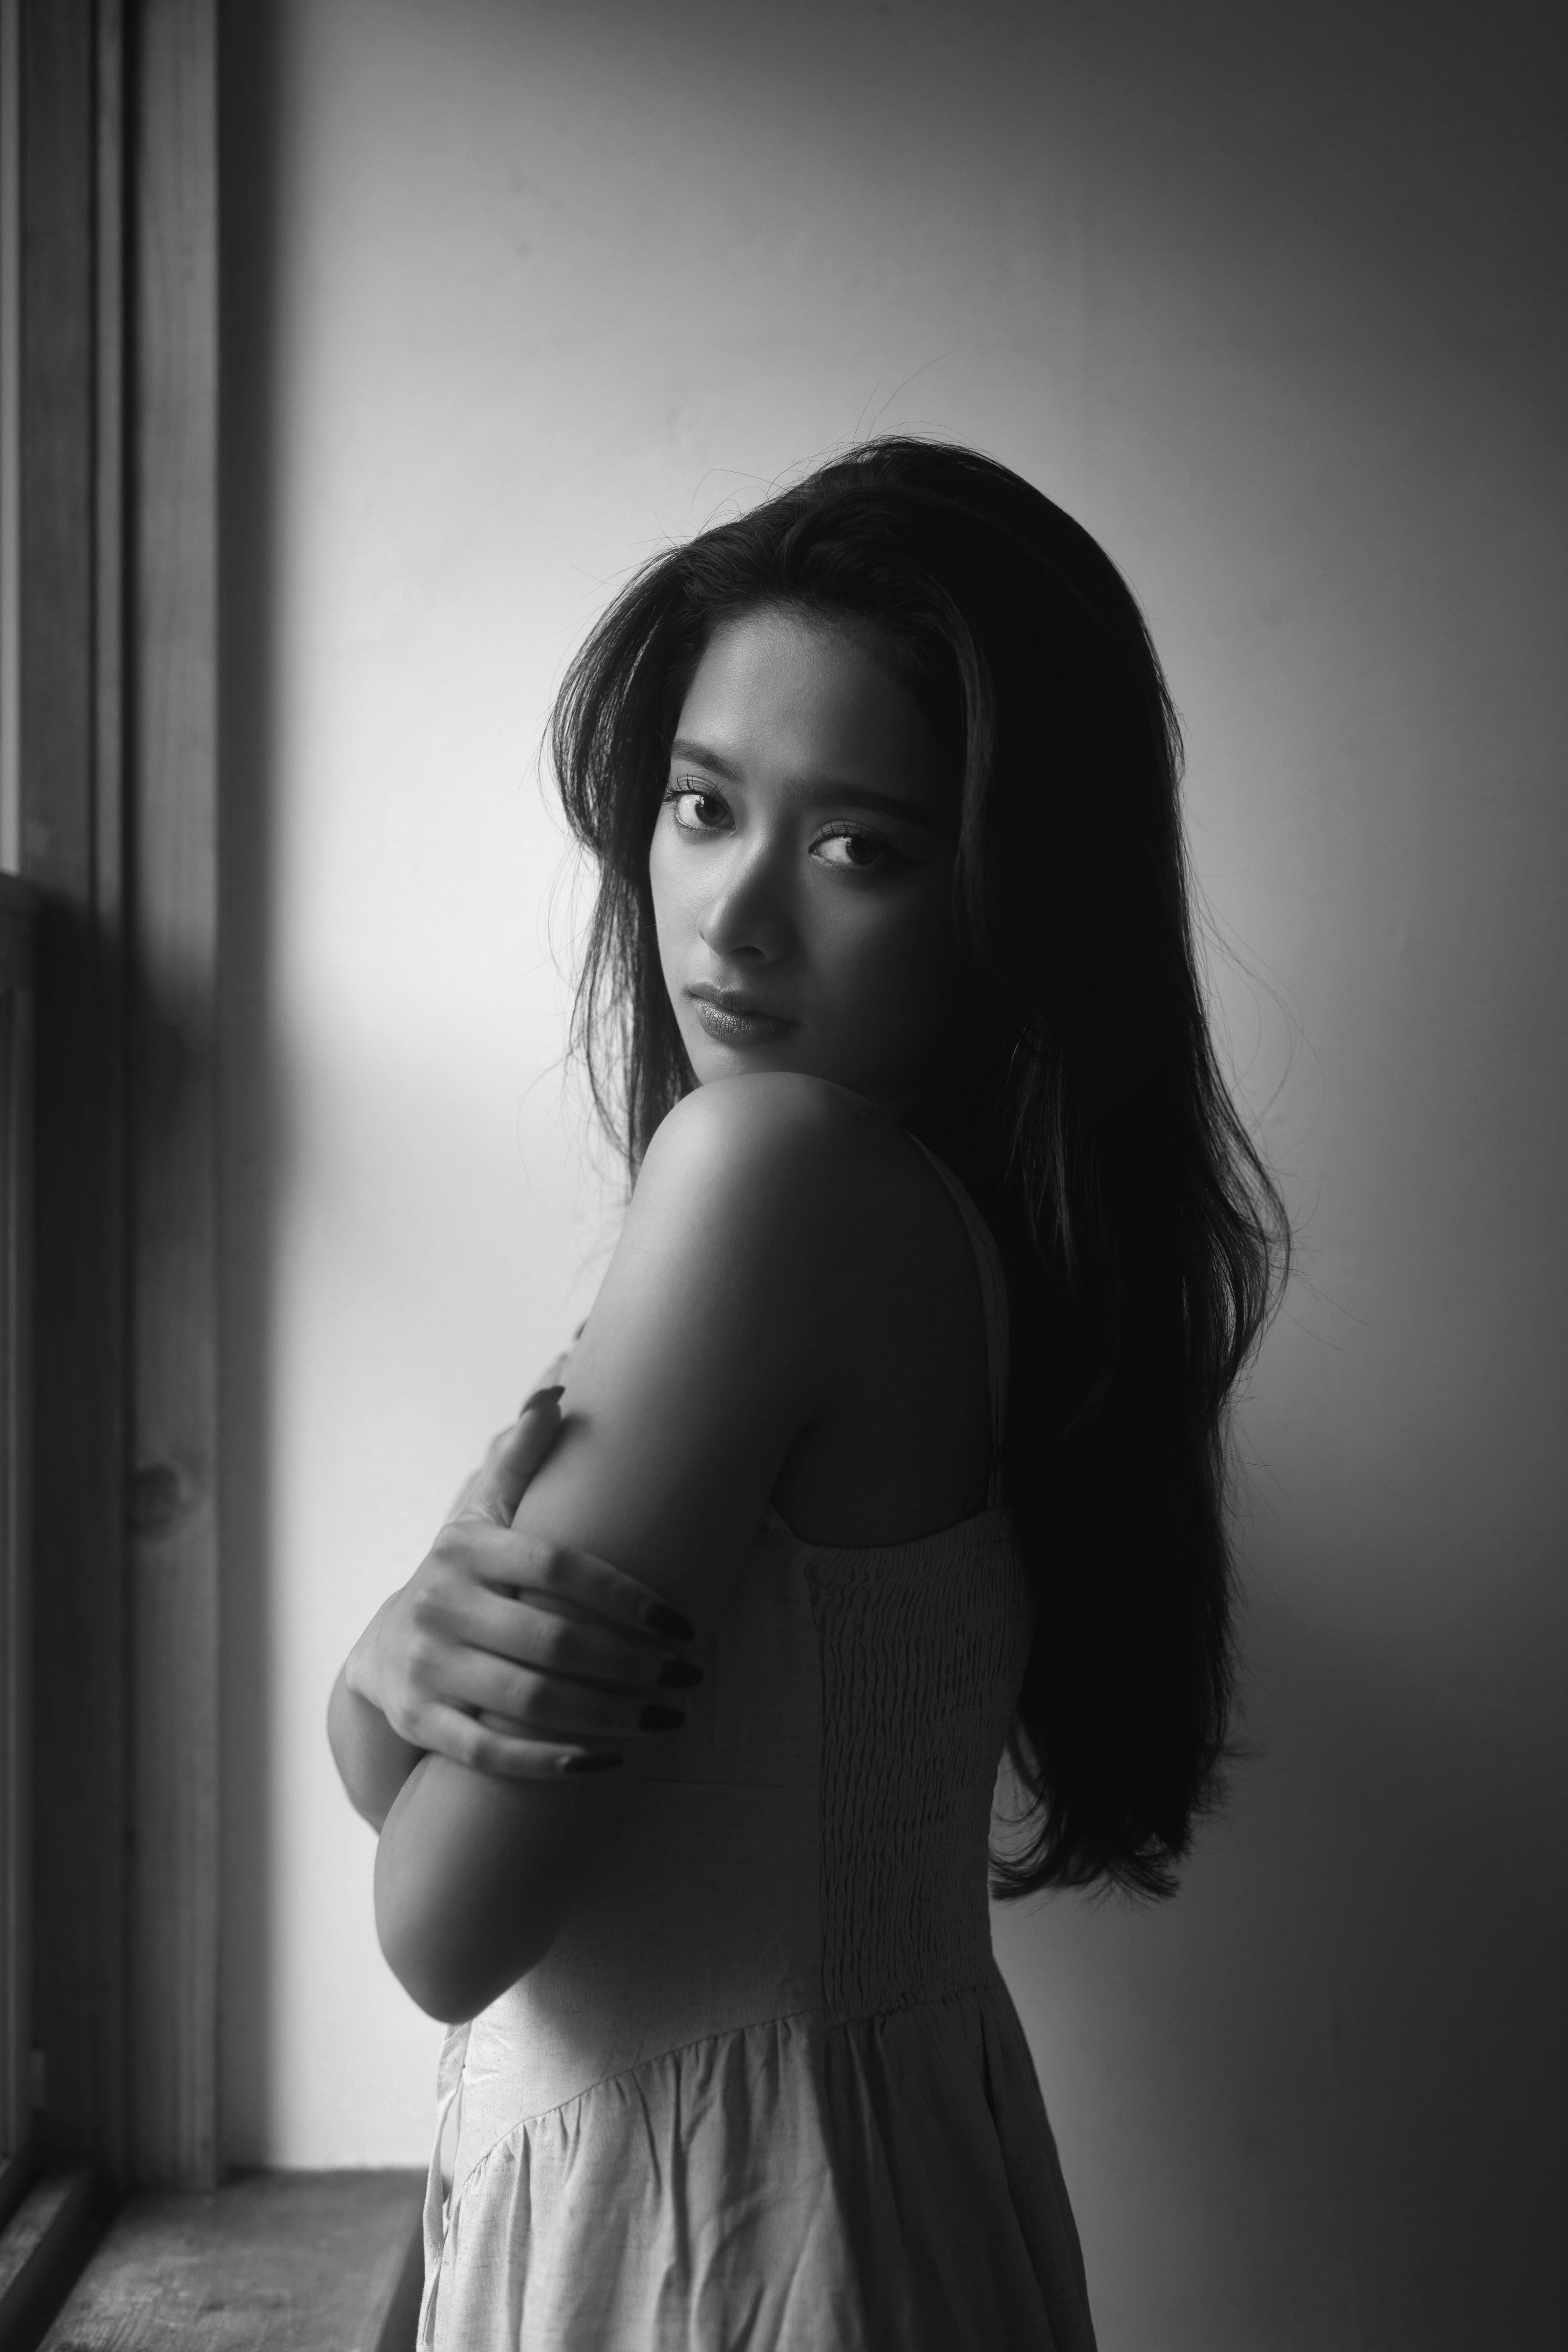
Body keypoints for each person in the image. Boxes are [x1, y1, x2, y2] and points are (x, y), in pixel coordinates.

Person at [328, 437, 1287, 2351]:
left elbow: (445, 1924)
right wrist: (394, 1679)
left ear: (1012, 897)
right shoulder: (953, 1238)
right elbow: (458, 1811)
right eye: (702, 807)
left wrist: (382, 1673)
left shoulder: (774, 1181)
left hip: (723, 2247)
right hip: (854, 2200)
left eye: (861, 846)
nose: (735, 914)